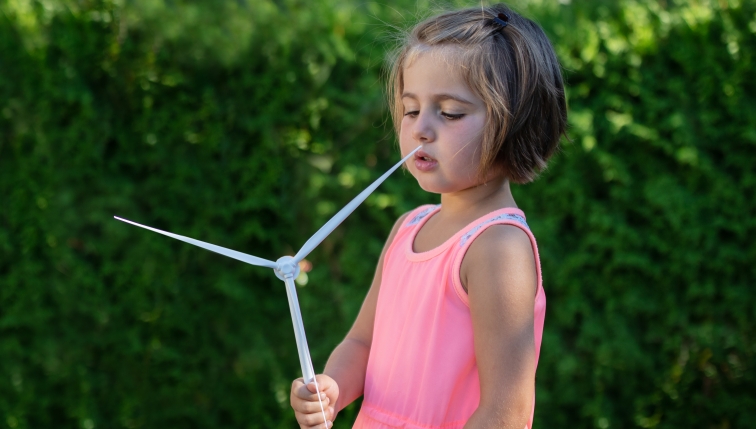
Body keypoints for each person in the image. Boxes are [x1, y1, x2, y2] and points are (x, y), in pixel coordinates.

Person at [290, 4, 567, 428]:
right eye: (411, 109)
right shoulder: (409, 227)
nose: (421, 129)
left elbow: (505, 413)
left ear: (516, 122)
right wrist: (331, 388)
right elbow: (362, 342)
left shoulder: (498, 248)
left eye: (450, 113)